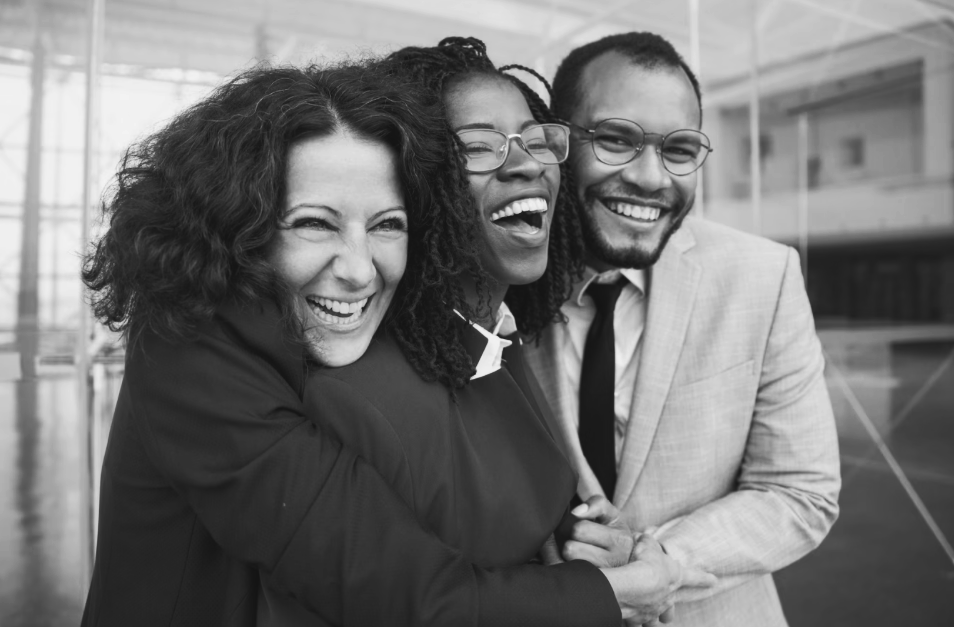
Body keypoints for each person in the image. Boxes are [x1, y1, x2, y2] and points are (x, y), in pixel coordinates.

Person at [79, 59, 700, 627]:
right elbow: (410, 595)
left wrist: (586, 543)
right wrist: (611, 594)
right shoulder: (211, 352)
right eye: (314, 222)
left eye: (386, 224)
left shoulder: (468, 340)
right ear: (242, 226)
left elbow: (509, 501)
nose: (357, 267)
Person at [256, 37, 714, 626]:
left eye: (536, 139)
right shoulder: (356, 399)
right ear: (409, 183)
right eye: (477, 147)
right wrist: (604, 594)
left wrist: (588, 547)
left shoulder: (496, 344)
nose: (524, 163)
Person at [523, 31, 842, 626]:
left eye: (679, 149)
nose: (651, 177)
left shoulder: (763, 277)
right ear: (557, 143)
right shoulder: (502, 283)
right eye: (616, 139)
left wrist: (658, 559)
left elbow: (802, 492)